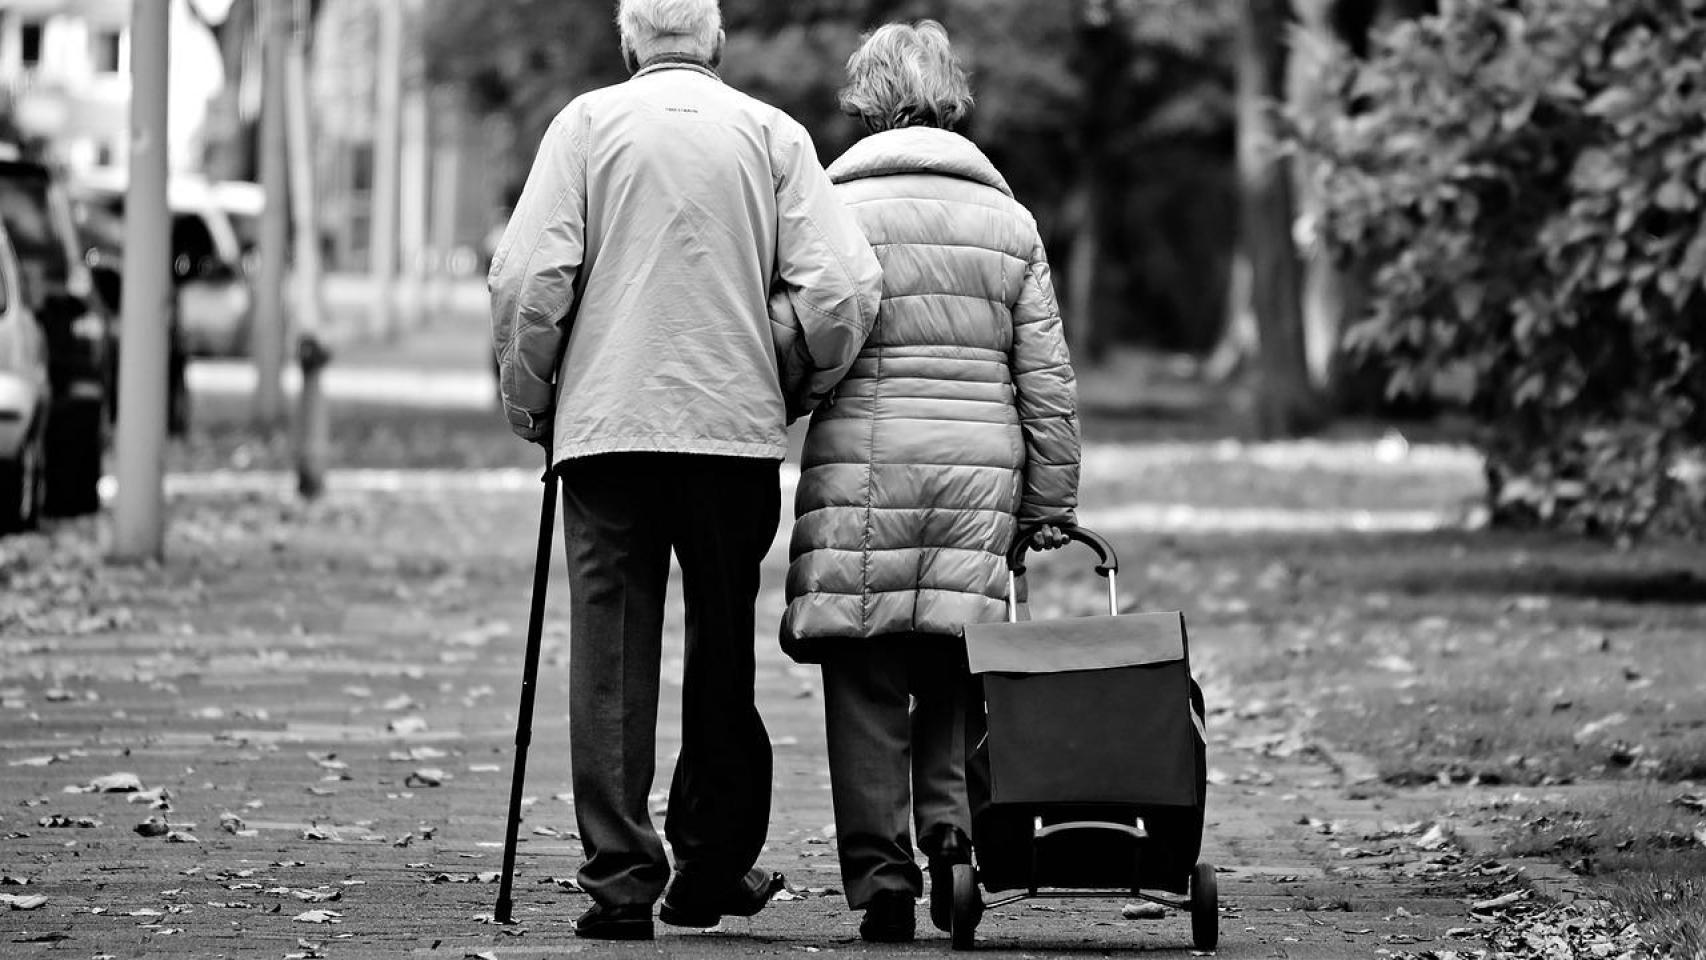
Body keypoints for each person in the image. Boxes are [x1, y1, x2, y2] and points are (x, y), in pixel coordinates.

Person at [488, 0, 882, 941]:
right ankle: (707, 865)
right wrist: (787, 373)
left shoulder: (583, 126)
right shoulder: (772, 134)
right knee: (720, 645)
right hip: (731, 432)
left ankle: (621, 878)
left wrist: (533, 398)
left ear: (631, 42)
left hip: (607, 430)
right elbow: (845, 286)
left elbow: (528, 280)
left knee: (610, 653)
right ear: (715, 43)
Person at [778, 19, 1082, 944]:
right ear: (952, 98)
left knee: (866, 666)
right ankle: (953, 844)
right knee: (955, 658)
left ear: (867, 100)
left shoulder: (832, 207)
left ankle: (881, 881)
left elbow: (802, 341)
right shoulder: (1009, 221)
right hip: (977, 468)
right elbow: (1047, 379)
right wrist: (1052, 502)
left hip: (863, 467)